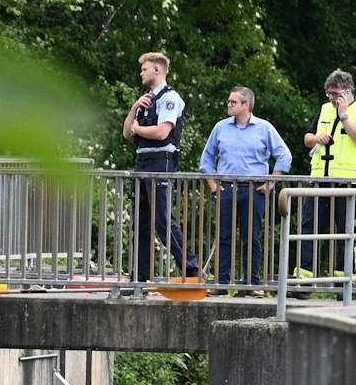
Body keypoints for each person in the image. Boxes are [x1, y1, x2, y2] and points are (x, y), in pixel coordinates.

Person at [198, 86, 292, 294]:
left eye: (233, 102)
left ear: (246, 105)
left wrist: (271, 183)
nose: (228, 105)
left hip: (254, 190)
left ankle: (251, 284)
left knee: (252, 237)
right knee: (224, 236)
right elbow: (206, 158)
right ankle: (222, 284)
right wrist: (213, 186)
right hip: (227, 189)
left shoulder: (265, 128)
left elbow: (284, 155)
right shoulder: (221, 128)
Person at [291, 69, 356, 292]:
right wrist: (315, 138)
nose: (331, 97)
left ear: (347, 92)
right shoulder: (324, 109)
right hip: (320, 179)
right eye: (328, 93)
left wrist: (344, 115)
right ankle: (303, 281)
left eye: (335, 93)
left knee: (346, 233)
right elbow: (307, 138)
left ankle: (343, 283)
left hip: (348, 183)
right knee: (309, 228)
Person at [122, 51, 196, 282]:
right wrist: (134, 108)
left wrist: (137, 129)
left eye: (145, 69)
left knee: (161, 219)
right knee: (140, 221)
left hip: (161, 161)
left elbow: (162, 131)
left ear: (157, 70)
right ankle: (140, 275)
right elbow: (126, 133)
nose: (141, 72)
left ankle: (190, 265)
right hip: (142, 160)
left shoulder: (169, 98)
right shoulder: (145, 98)